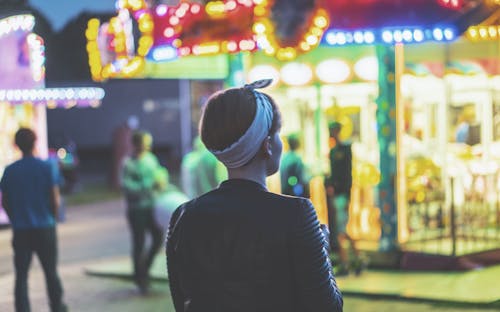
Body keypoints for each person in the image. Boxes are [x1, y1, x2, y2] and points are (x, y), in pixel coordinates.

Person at [166, 80, 343, 311]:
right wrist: (321, 249)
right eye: (278, 134)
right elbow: (328, 307)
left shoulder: (184, 216)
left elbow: (182, 303)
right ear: (267, 145)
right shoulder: (296, 214)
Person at [0, 128, 67, 312]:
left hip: (21, 229)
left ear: (17, 145)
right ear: (35, 142)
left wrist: (16, 219)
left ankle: (22, 308)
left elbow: (5, 202)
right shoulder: (46, 167)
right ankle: (57, 306)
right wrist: (52, 219)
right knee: (50, 272)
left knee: (21, 275)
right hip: (45, 226)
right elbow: (55, 199)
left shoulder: (10, 171)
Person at [121, 130, 165, 294]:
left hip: (152, 206)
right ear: (136, 143)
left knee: (157, 238)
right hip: (136, 209)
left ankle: (144, 270)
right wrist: (148, 185)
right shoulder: (128, 163)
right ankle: (140, 279)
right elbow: (127, 187)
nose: (148, 145)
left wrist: (161, 182)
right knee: (138, 243)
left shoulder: (151, 160)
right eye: (145, 142)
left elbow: (159, 177)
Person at [326, 121, 362, 276]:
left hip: (342, 195)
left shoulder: (343, 151)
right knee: (342, 230)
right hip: (340, 194)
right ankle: (355, 259)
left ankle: (347, 261)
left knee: (341, 231)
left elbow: (345, 175)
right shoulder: (335, 151)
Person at [280, 133, 310, 197]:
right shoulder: (296, 159)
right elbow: (301, 179)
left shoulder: (284, 158)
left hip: (285, 192)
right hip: (295, 193)